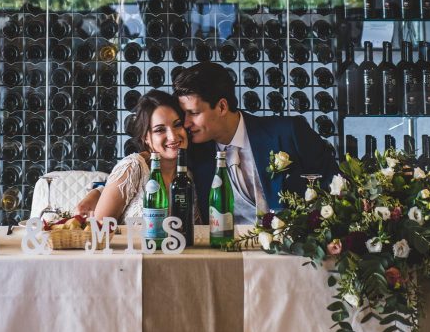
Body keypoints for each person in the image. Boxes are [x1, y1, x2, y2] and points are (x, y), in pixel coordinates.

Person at [173, 62, 337, 223]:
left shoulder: (289, 133)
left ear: (222, 107)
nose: (186, 123)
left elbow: (336, 189)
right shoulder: (193, 152)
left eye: (193, 113)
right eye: (184, 114)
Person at [83, 90, 189, 223]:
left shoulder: (188, 176)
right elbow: (98, 231)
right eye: (160, 130)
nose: (173, 136)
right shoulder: (133, 167)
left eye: (177, 124)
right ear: (146, 138)